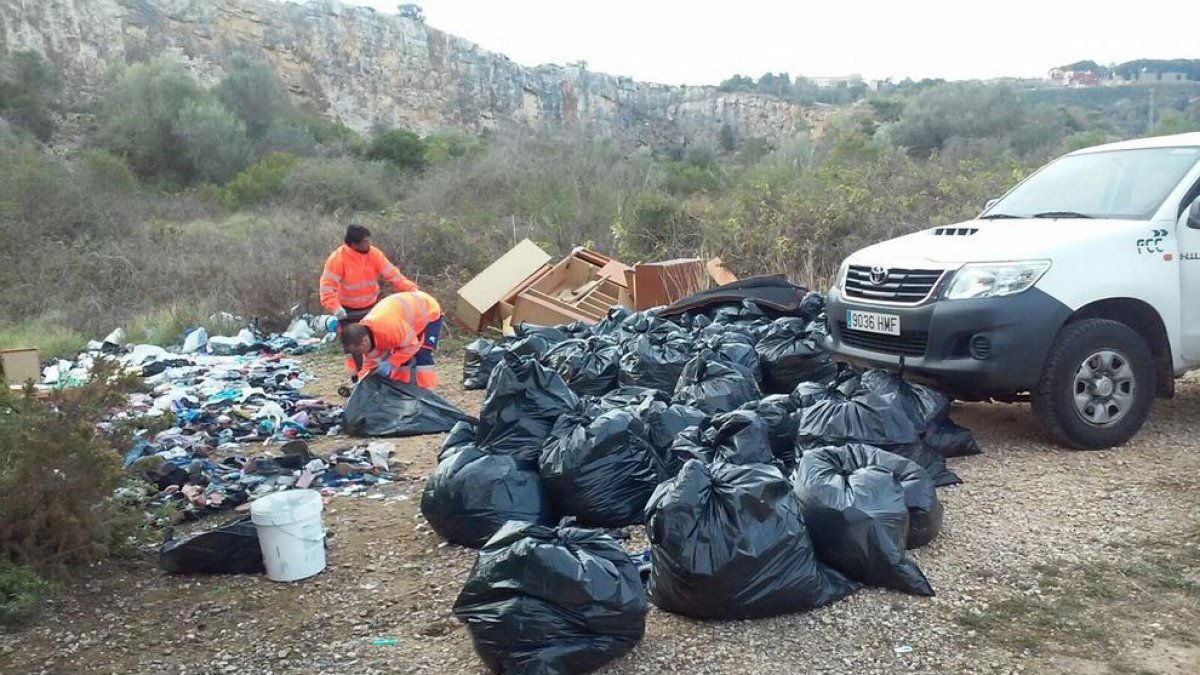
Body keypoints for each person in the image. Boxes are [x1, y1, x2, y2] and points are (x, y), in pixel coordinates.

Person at [320, 224, 417, 375]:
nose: (369, 244)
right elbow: (327, 288)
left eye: (368, 240)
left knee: (379, 344)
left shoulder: (374, 254)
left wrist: (412, 291)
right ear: (354, 244)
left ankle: (383, 375)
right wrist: (335, 308)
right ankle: (358, 378)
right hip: (348, 311)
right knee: (354, 349)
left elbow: (393, 275)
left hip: (372, 308)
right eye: (365, 242)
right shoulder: (337, 259)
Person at [340, 291, 443, 389]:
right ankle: (402, 389)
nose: (359, 354)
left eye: (358, 351)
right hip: (403, 321)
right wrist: (361, 382)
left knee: (422, 353)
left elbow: (413, 345)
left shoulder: (389, 329)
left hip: (428, 311)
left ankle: (428, 392)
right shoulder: (365, 333)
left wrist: (391, 363)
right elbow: (370, 363)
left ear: (365, 341)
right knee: (401, 358)